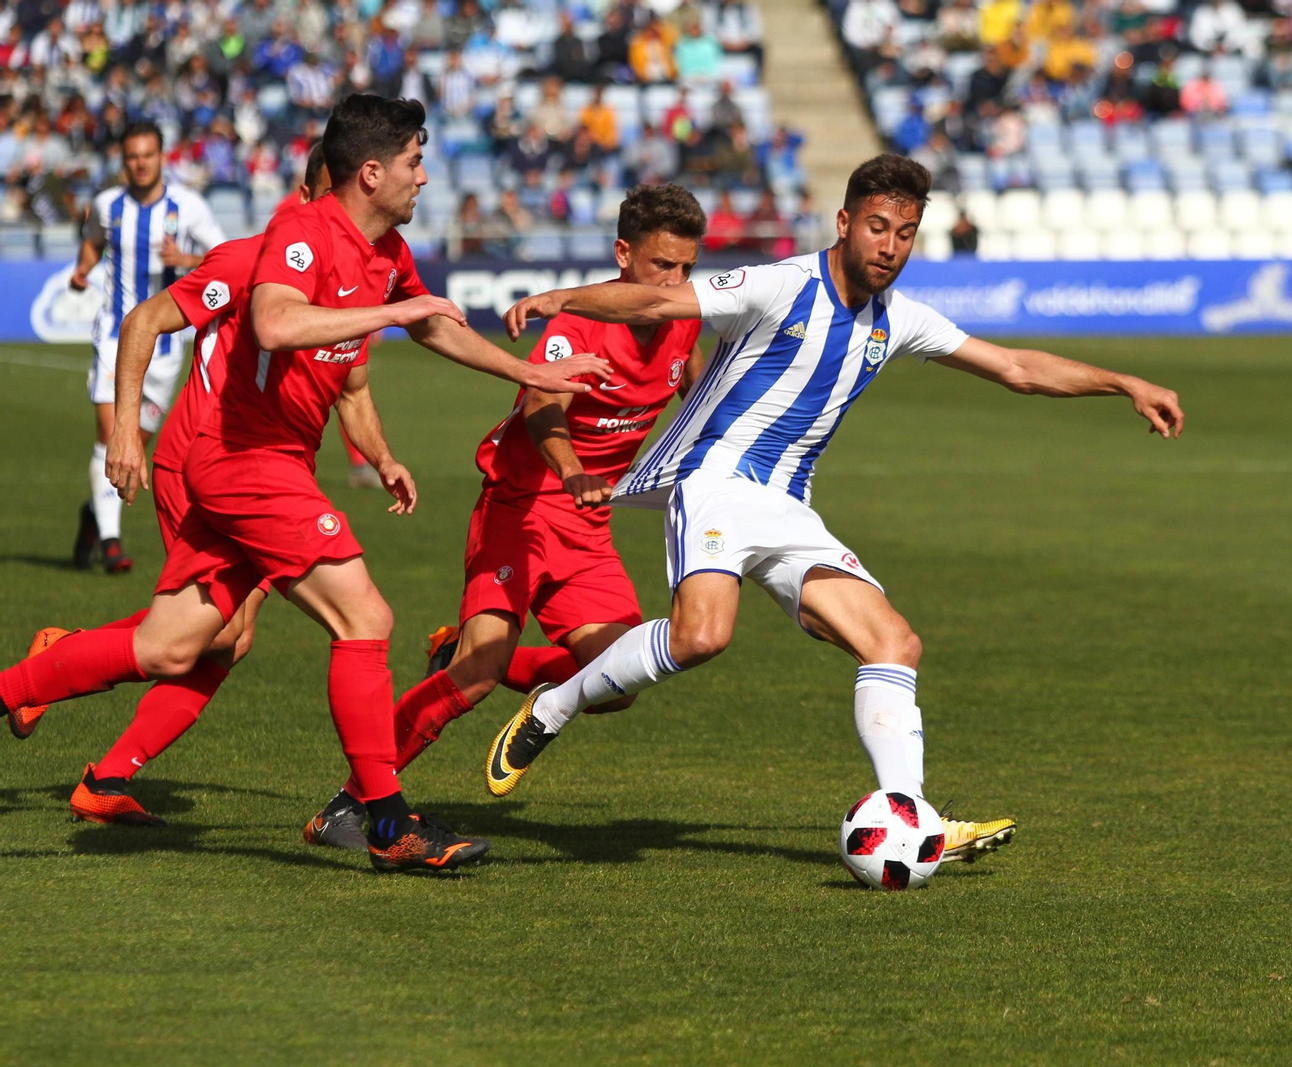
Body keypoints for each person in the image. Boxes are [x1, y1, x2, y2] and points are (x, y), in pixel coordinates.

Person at [485, 155, 1185, 860]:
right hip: (718, 478)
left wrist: (1123, 381)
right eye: (878, 227)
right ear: (846, 222)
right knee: (702, 637)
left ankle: (913, 818)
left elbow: (1016, 367)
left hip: (788, 504)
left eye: (906, 233)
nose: (890, 246)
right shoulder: (781, 284)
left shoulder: (899, 317)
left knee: (893, 643)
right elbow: (660, 301)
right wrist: (563, 298)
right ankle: (555, 704)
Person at [0, 96, 609, 874]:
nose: (426, 178)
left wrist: (527, 370)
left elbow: (430, 326)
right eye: (416, 164)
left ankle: (21, 693)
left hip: (272, 463)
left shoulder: (386, 251)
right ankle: (385, 825)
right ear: (372, 171)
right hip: (243, 460)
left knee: (171, 645)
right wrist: (128, 423)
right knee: (366, 615)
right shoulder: (298, 234)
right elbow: (277, 324)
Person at [304, 184, 707, 848]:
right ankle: (349, 802)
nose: (676, 281)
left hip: (587, 528)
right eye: (663, 266)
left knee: (621, 681)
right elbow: (539, 406)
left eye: (687, 268)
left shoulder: (684, 320)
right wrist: (573, 468)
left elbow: (695, 386)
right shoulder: (579, 325)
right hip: (520, 509)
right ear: (622, 255)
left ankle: (469, 652)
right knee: (474, 676)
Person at [8, 144, 336, 825]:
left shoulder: (337, 264)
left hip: (261, 469)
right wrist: (126, 426)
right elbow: (149, 317)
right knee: (212, 637)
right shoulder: (260, 254)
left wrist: (378, 453)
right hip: (205, 460)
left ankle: (102, 766)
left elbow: (348, 377)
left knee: (225, 638)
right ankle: (66, 701)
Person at [69, 121, 225, 575]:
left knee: (132, 446)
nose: (140, 163)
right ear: (123, 161)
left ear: (162, 157)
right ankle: (113, 544)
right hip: (114, 337)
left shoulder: (189, 207)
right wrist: (82, 270)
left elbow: (225, 257)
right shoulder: (106, 205)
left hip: (167, 345)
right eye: (132, 156)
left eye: (148, 155)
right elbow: (93, 242)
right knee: (110, 435)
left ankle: (93, 519)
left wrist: (188, 261)